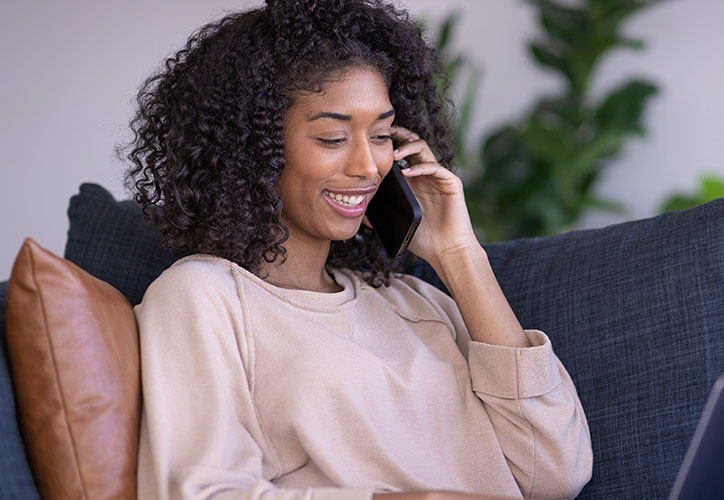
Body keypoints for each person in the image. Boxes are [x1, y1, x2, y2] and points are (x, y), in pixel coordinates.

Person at [125, 1, 593, 499]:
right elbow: (203, 492)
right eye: (333, 137)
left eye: (382, 135)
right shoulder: (205, 296)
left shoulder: (415, 301)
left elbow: (555, 473)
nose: (369, 166)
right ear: (254, 147)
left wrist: (460, 256)